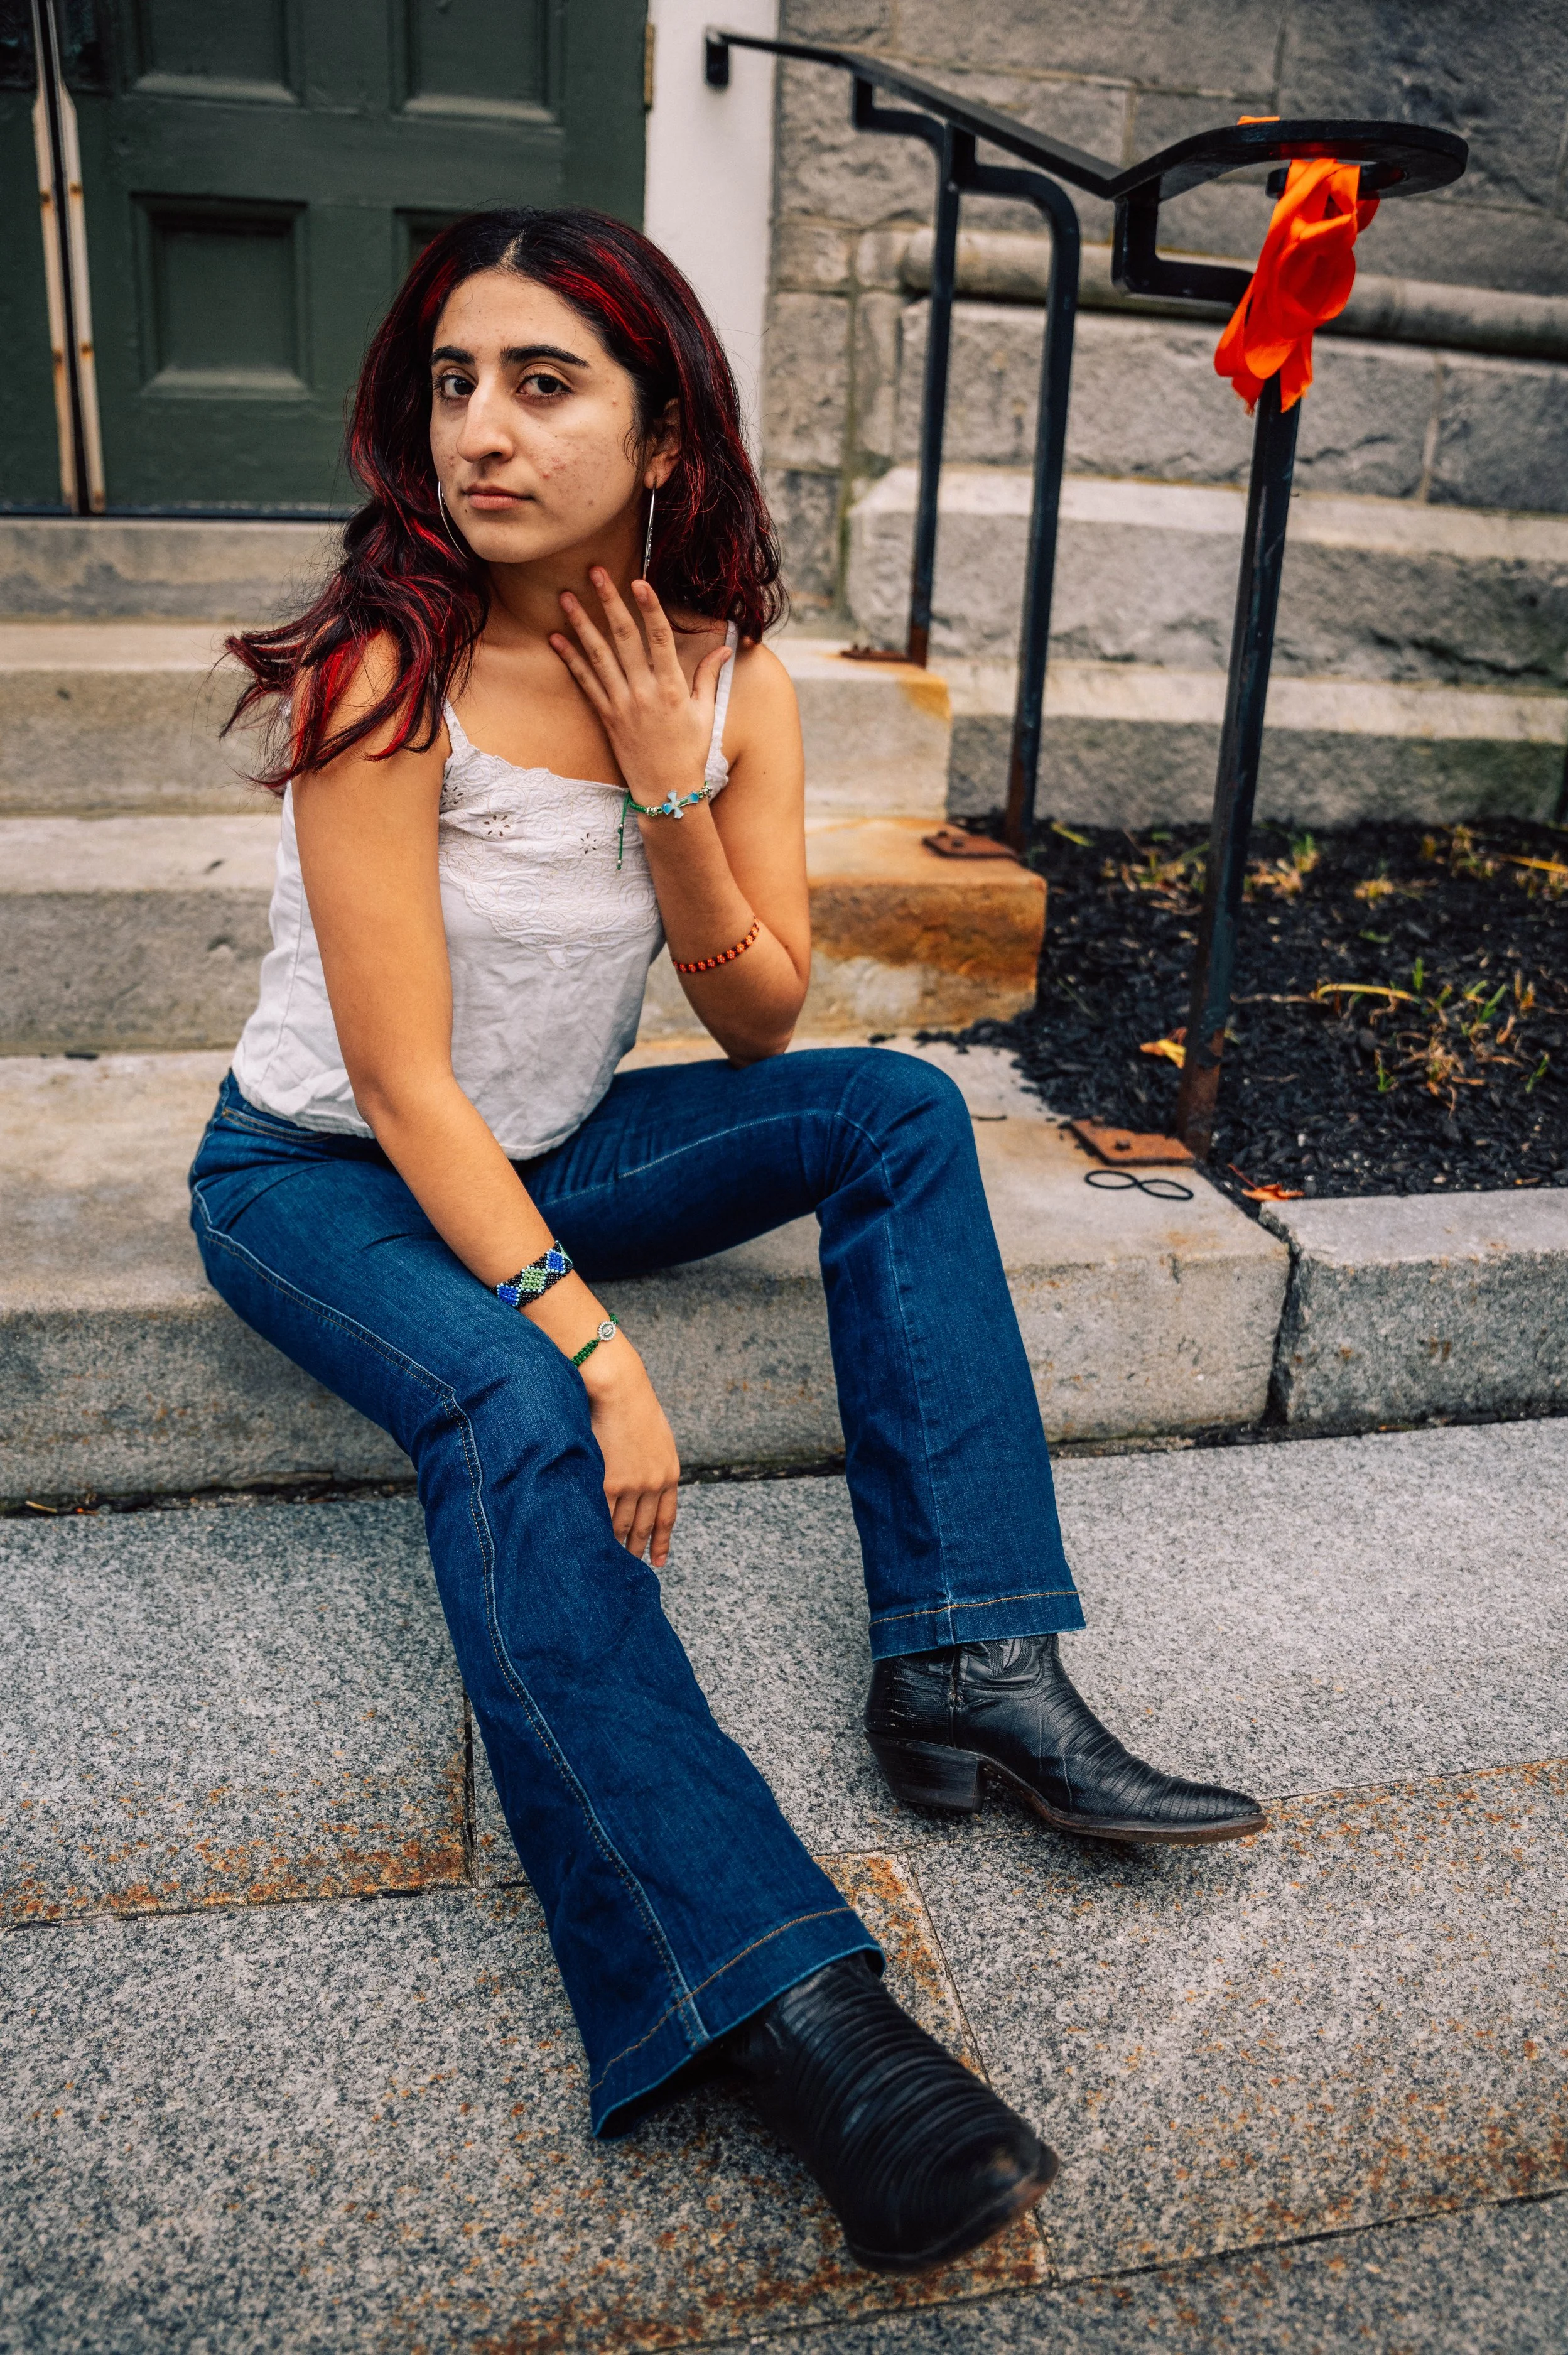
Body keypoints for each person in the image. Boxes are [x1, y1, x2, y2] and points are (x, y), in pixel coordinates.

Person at [191, 207, 1263, 2274]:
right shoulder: (382, 666)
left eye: (543, 381)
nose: (478, 430)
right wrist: (592, 1344)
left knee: (891, 1101)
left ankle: (965, 1658)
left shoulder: (729, 678)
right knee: (509, 1409)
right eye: (450, 382)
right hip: (319, 1175)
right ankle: (790, 2009)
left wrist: (677, 784)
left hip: (565, 1136)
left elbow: (759, 1013)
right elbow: (409, 1091)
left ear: (667, 432)